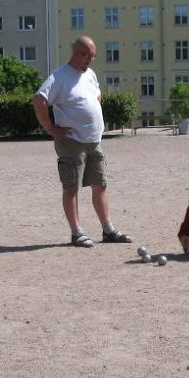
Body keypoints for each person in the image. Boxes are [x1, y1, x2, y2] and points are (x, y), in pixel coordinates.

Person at [33, 35, 132, 248]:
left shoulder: (90, 75)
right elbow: (39, 99)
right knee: (71, 187)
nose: (91, 61)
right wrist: (50, 128)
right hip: (71, 142)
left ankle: (108, 230)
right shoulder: (60, 76)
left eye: (93, 57)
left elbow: (96, 97)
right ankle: (76, 233)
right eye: (88, 56)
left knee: (101, 185)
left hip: (94, 141)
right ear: (78, 53)